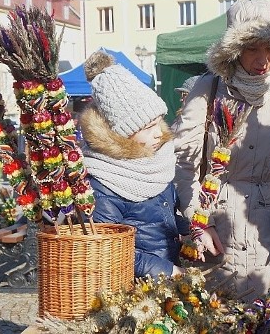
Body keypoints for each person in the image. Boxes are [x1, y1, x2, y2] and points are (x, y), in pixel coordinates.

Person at [172, 0, 270, 302]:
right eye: (252, 48)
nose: (263, 60)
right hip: (219, 229)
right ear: (234, 50)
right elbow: (183, 164)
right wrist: (198, 224)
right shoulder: (208, 88)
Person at [80, 51, 189, 278]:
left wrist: (191, 232)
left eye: (159, 122)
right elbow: (109, 250)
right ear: (122, 134)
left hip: (166, 277)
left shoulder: (157, 161)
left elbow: (161, 214)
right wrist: (169, 271)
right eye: (148, 127)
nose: (159, 133)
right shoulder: (104, 181)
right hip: (133, 292)